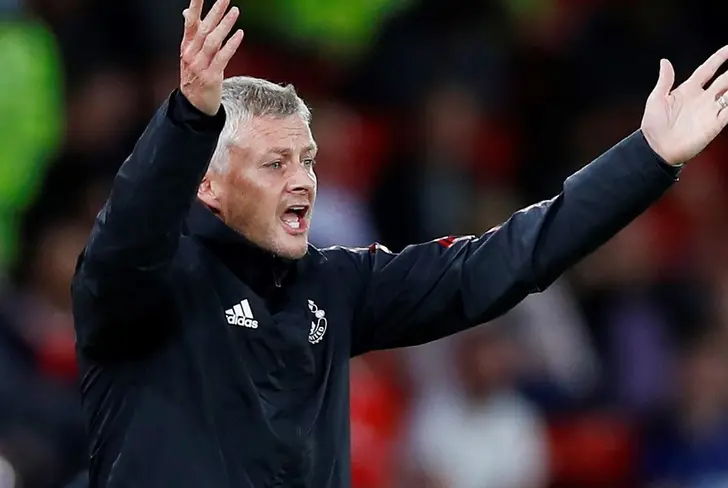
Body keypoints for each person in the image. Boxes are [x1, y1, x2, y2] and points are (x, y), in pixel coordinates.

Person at [70, 0, 728, 486]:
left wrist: (646, 159)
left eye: (307, 161)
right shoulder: (147, 291)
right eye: (275, 164)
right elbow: (125, 242)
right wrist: (185, 122)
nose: (302, 181)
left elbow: (504, 259)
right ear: (209, 186)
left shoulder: (337, 285)